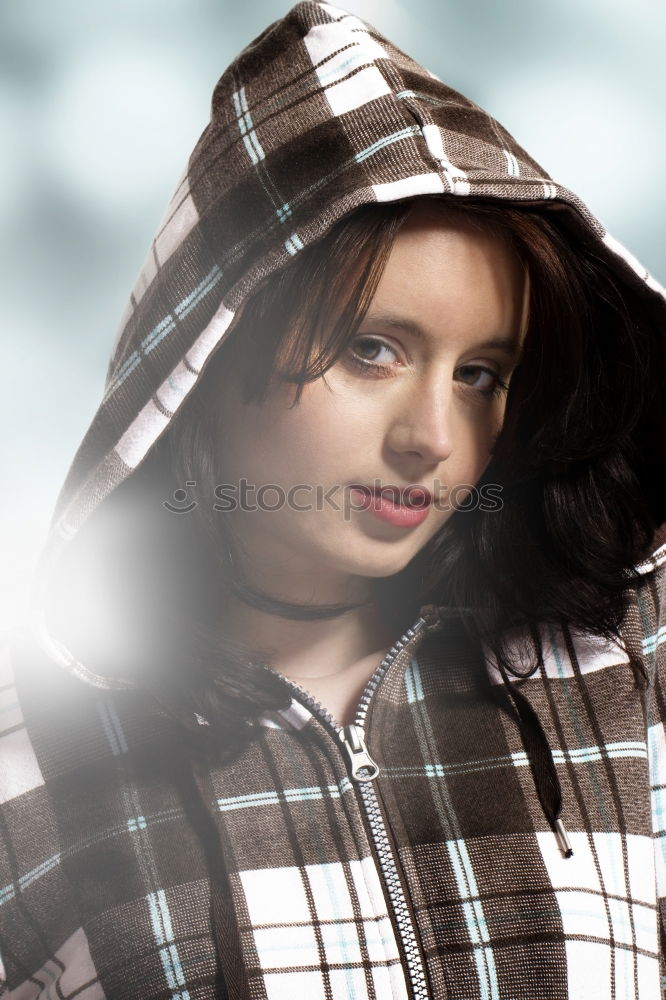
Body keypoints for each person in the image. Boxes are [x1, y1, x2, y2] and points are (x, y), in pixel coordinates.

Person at [2, 2, 666, 998]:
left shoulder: (625, 651)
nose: (432, 440)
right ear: (204, 366)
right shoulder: (28, 770)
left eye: (482, 374)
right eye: (373, 350)